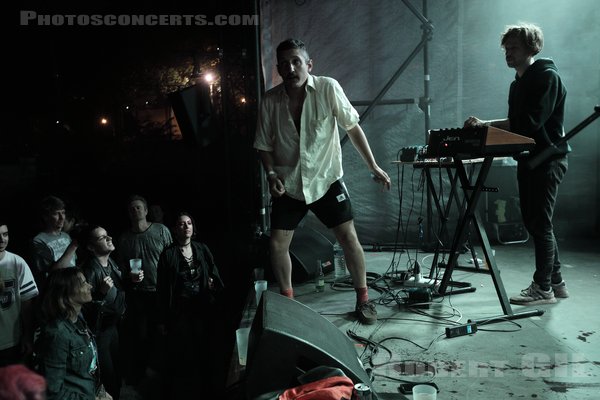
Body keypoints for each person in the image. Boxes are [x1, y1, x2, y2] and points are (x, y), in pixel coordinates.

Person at [254, 38, 391, 324]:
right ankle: (289, 306)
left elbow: (352, 127)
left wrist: (373, 165)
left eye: (296, 61)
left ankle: (363, 300)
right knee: (278, 244)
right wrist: (270, 174)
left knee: (348, 237)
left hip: (326, 180)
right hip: (289, 184)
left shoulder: (328, 87)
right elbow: (263, 145)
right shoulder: (270, 100)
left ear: (309, 64)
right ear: (278, 68)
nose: (290, 68)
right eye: (284, 64)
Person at [463, 23, 569, 305]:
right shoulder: (518, 84)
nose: (508, 53)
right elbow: (515, 125)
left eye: (514, 48)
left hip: (547, 160)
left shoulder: (546, 77)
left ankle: (543, 288)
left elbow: (529, 125)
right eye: (506, 48)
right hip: (529, 160)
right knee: (536, 223)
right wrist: (485, 125)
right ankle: (556, 283)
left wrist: (487, 127)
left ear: (531, 48)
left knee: (540, 224)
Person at [156, 212, 224, 398]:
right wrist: (162, 320)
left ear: (193, 228)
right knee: (184, 352)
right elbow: (162, 289)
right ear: (175, 229)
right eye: (181, 224)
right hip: (180, 311)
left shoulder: (201, 249)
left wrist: (212, 282)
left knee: (205, 349)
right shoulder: (168, 255)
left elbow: (214, 272)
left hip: (202, 307)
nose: (186, 227)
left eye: (189, 223)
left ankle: (207, 389)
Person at [116, 195, 171, 385]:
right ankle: (142, 374)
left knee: (163, 331)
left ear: (146, 210)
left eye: (138, 207)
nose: (135, 211)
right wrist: (127, 276)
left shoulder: (161, 231)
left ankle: (164, 371)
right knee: (141, 334)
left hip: (160, 290)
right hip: (138, 293)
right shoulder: (124, 238)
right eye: (131, 209)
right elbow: (120, 265)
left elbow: (171, 258)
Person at [35, 268, 111, 400]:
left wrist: (99, 390)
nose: (90, 286)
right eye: (83, 283)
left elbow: (88, 368)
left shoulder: (78, 319)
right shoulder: (57, 334)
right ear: (66, 293)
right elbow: (53, 392)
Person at [81, 225, 127, 400]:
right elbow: (84, 306)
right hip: (100, 332)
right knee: (107, 378)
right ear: (91, 247)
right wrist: (100, 292)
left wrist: (130, 280)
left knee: (116, 371)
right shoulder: (90, 270)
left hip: (113, 327)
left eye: (108, 235)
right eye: (102, 238)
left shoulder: (111, 263)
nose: (109, 239)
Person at [0, 219, 39, 367]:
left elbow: (27, 303)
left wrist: (28, 335)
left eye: (5, 234)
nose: (2, 239)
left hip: (11, 339)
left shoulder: (17, 262)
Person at [30, 196, 78, 278]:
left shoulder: (66, 236)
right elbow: (52, 271)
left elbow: (73, 263)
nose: (62, 217)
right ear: (45, 217)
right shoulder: (39, 240)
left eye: (63, 213)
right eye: (56, 213)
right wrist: (73, 246)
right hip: (57, 287)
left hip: (72, 284)